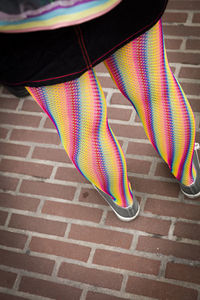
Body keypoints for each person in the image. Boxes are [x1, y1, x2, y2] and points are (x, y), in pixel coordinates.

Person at [0, 0, 199, 222]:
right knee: (156, 93)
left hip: (32, 30)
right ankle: (188, 173)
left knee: (81, 128)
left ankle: (123, 201)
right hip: (114, 5)